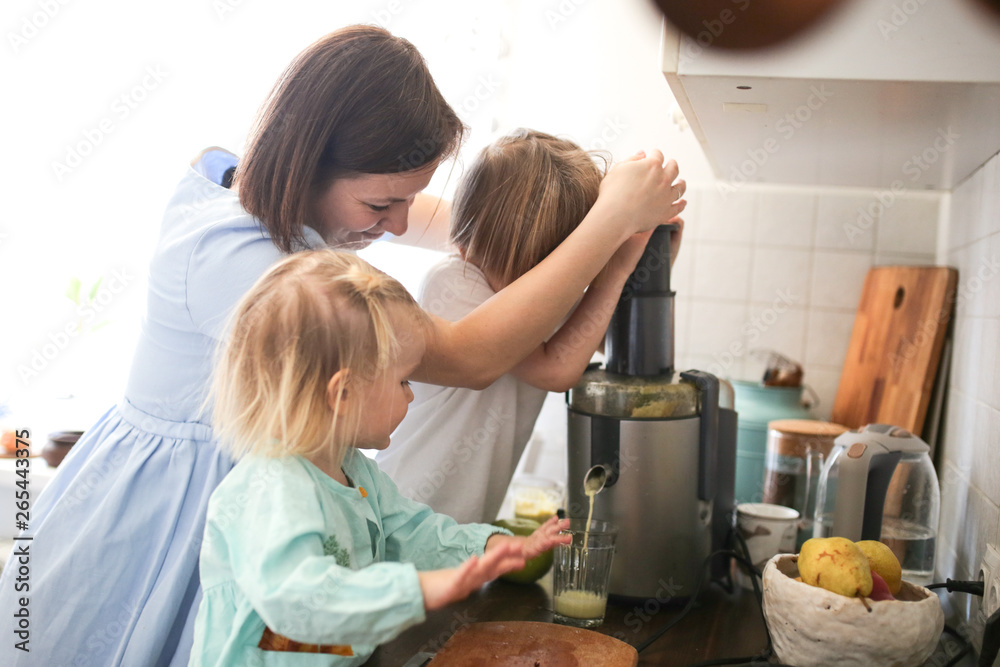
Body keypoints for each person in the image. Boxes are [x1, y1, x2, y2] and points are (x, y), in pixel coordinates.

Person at [0, 25, 685, 666]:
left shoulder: (251, 186)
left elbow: (434, 223)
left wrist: (521, 223)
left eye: (405, 204)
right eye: (381, 205)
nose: (394, 227)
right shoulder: (273, 275)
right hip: (164, 507)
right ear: (314, 161)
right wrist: (611, 222)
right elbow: (472, 355)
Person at [190, 249, 569, 665]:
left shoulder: (351, 467)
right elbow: (301, 603)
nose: (411, 394)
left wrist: (491, 546)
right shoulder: (270, 488)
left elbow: (411, 532)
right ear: (344, 393)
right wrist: (420, 590)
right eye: (404, 379)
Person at [377, 129, 682, 523]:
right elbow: (555, 369)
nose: (543, 278)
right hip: (403, 514)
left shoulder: (540, 295)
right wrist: (617, 265)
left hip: (458, 528)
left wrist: (650, 263)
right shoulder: (455, 282)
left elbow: (607, 340)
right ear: (469, 243)